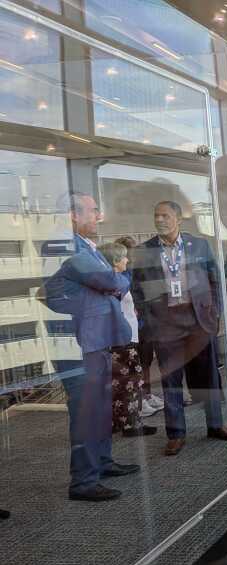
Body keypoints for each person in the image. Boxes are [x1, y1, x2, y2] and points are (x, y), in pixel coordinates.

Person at [42, 192, 140, 501]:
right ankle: (83, 481)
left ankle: (102, 462)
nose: (99, 216)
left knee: (100, 407)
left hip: (94, 341)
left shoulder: (86, 247)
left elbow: (107, 281)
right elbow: (110, 280)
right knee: (87, 411)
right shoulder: (65, 245)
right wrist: (118, 277)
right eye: (93, 210)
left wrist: (112, 279)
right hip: (78, 344)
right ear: (73, 214)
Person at [131, 201, 227, 456]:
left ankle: (215, 424)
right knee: (171, 381)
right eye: (156, 215)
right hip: (166, 325)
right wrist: (150, 320)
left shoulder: (198, 245)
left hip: (198, 320)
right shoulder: (145, 251)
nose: (160, 220)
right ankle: (176, 434)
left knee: (209, 377)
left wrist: (216, 312)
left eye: (165, 215)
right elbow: (136, 288)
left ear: (178, 219)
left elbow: (215, 279)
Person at [97, 241, 157, 439]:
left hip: (123, 338)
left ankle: (121, 423)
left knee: (122, 383)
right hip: (122, 341)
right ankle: (131, 424)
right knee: (129, 382)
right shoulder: (114, 282)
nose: (127, 259)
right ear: (114, 261)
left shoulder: (113, 280)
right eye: (123, 257)